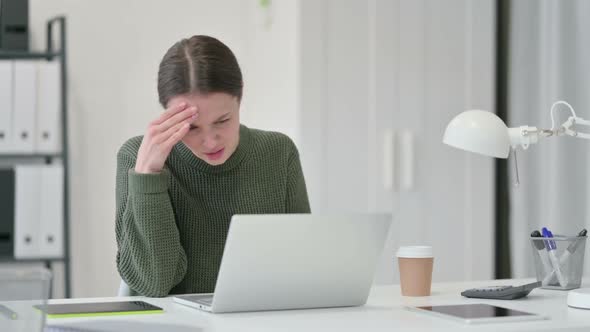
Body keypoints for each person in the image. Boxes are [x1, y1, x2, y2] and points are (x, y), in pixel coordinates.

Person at [115, 35, 310, 297]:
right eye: (192, 127)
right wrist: (148, 176)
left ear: (240, 94)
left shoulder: (278, 152)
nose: (210, 141)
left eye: (222, 120)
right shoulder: (135, 158)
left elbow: (302, 267)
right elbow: (153, 284)